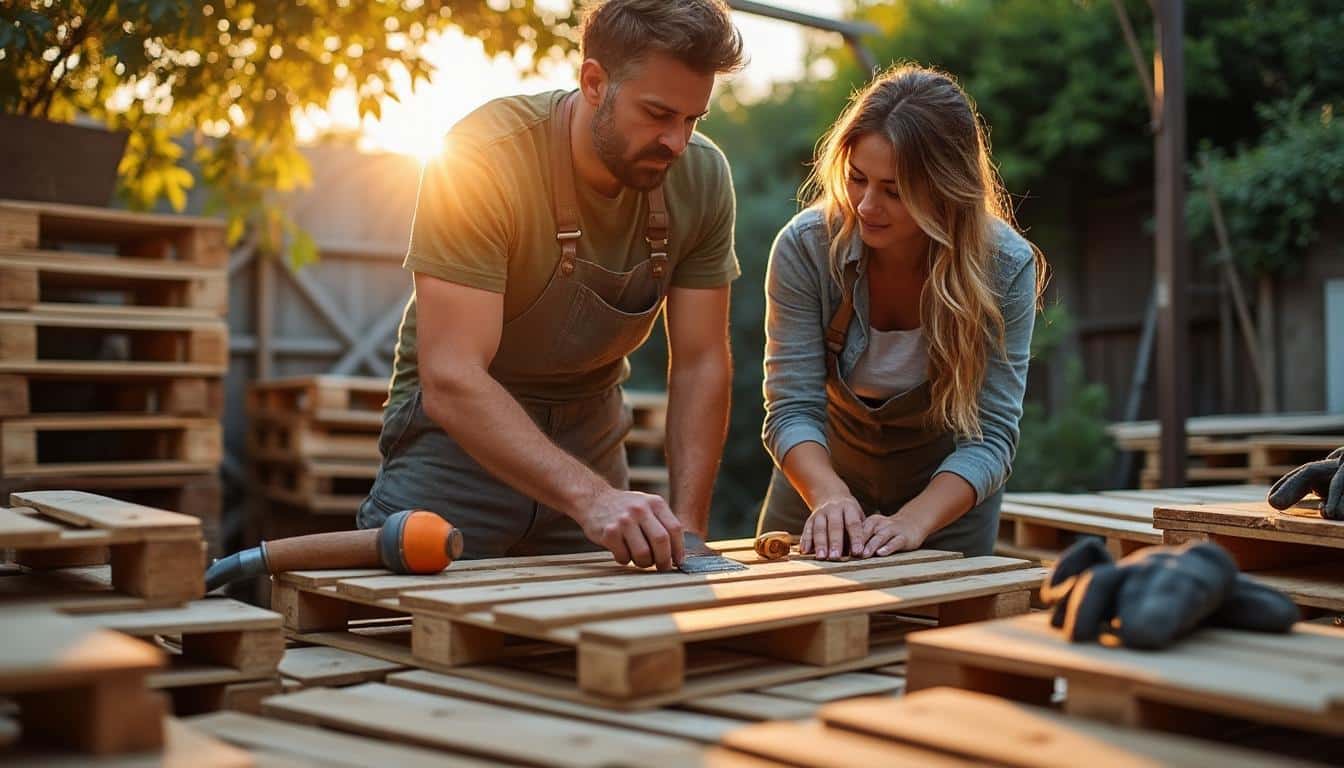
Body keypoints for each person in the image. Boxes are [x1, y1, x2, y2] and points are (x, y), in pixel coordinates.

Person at [357, 0, 745, 572]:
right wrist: (592, 499)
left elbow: (701, 362)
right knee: (396, 638)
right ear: (594, 82)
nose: (676, 142)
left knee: (603, 649)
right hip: (457, 452)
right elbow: (451, 376)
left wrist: (687, 530)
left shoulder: (704, 179)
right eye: (658, 113)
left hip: (591, 443)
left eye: (693, 120)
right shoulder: (481, 159)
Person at [757, 64, 1048, 560]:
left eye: (894, 190)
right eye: (857, 179)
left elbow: (991, 435)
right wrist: (829, 497)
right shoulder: (805, 249)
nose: (868, 206)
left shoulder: (1005, 266)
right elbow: (791, 409)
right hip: (818, 483)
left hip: (945, 502)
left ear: (947, 188)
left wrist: (913, 522)